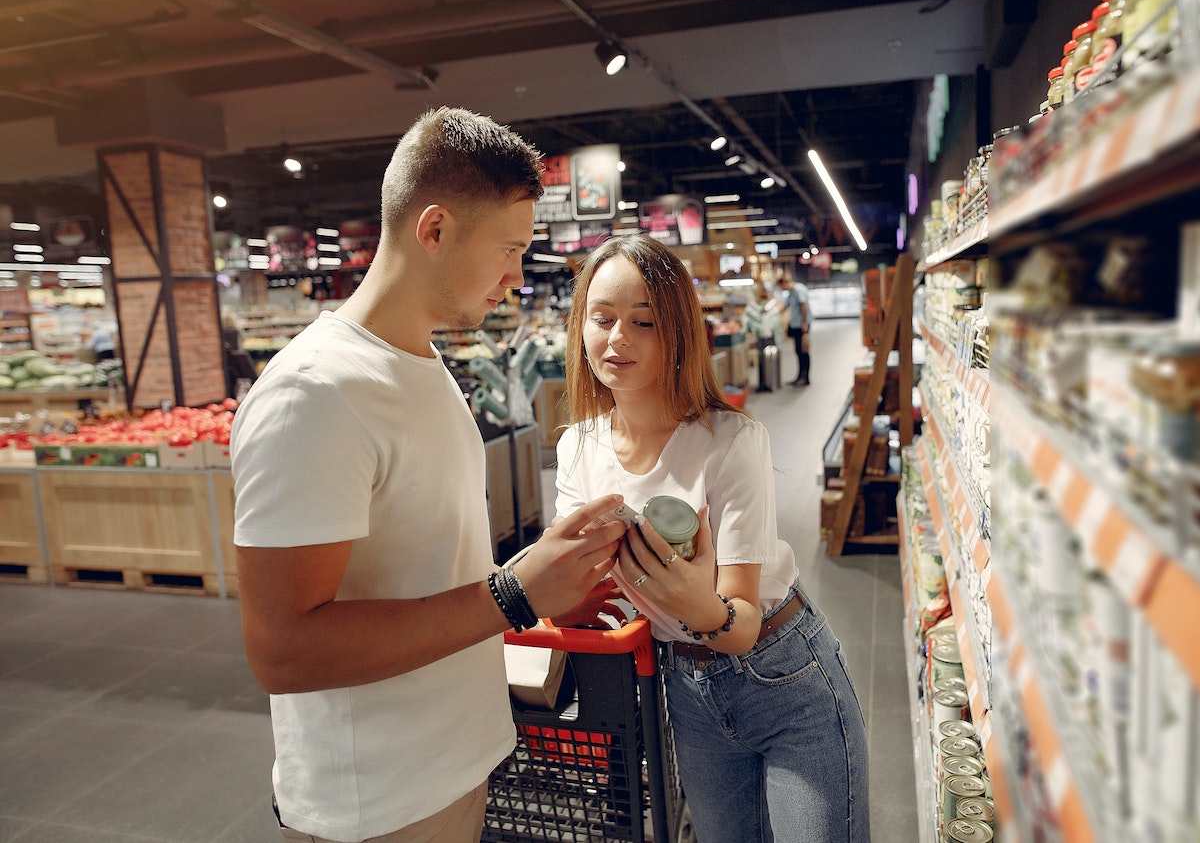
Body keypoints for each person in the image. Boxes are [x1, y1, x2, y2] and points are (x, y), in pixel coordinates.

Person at [230, 107, 628, 843]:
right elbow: (282, 648)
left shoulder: (426, 366)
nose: (518, 275)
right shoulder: (313, 395)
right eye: (508, 249)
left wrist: (540, 589)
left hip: (453, 766)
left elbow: (427, 574)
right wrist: (513, 593)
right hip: (374, 805)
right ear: (435, 229)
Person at [552, 235, 871, 843]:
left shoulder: (729, 441)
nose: (617, 339)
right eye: (602, 319)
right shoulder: (578, 449)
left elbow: (742, 620)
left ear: (676, 332)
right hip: (685, 688)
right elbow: (576, 591)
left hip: (783, 674)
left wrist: (693, 603)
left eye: (643, 321)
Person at [777, 271, 811, 385]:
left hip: (802, 326)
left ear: (784, 283)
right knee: (798, 351)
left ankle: (805, 377)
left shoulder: (798, 289)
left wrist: (804, 323)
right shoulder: (790, 293)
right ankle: (799, 376)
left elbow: (804, 306)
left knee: (803, 351)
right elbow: (784, 307)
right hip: (796, 325)